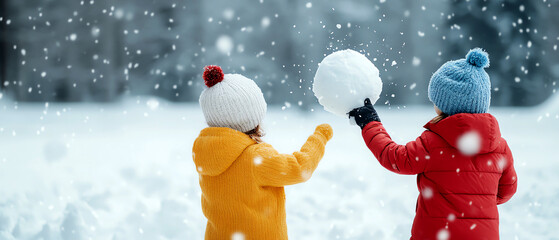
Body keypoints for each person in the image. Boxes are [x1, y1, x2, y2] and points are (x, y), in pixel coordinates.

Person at [349, 48, 517, 240]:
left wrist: (370, 122)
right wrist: (475, 200)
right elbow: (507, 190)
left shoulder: (433, 143)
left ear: (445, 104)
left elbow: (394, 158)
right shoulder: (500, 147)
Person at [193, 65, 333, 240]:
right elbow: (300, 168)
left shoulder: (206, 154)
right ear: (253, 118)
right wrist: (320, 137)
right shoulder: (256, 157)